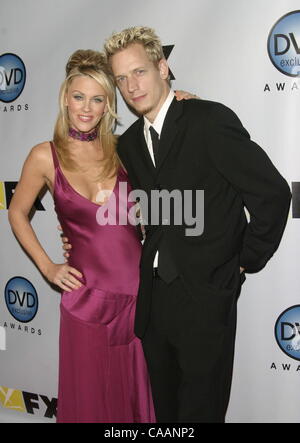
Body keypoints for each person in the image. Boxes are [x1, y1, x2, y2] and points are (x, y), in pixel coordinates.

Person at [100, 26, 291, 423]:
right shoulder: (130, 143)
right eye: (121, 78)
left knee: (202, 414)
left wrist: (242, 262)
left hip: (207, 298)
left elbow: (271, 194)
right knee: (167, 415)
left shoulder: (209, 120)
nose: (131, 86)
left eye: (139, 72)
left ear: (163, 68)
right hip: (154, 303)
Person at [8, 49, 157, 423]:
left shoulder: (126, 150)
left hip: (137, 297)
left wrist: (187, 98)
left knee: (135, 401)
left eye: (97, 99)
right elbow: (17, 212)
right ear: (65, 98)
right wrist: (47, 267)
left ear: (109, 105)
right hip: (84, 299)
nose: (86, 108)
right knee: (88, 399)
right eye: (79, 97)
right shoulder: (45, 156)